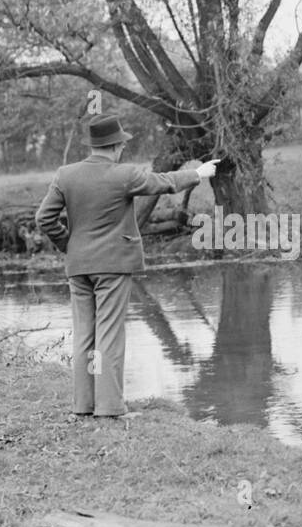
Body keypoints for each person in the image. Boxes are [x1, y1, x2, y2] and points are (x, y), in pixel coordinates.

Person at [35, 115, 218, 418]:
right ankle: (110, 408)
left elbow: (44, 219)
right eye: (122, 143)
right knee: (109, 335)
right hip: (113, 266)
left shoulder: (65, 174)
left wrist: (69, 245)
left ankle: (83, 406)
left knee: (85, 335)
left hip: (78, 267)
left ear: (93, 145)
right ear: (117, 145)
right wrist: (197, 173)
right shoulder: (125, 175)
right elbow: (165, 183)